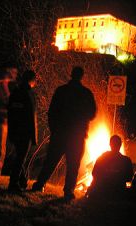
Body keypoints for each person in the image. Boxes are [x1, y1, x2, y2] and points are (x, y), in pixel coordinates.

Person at [31, 66, 97, 201]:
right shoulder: (85, 93)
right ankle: (68, 191)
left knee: (51, 161)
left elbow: (52, 111)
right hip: (77, 136)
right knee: (73, 165)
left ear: (71, 75)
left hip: (60, 133)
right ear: (81, 76)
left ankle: (39, 184)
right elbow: (92, 113)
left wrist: (54, 129)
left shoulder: (61, 91)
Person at [7, 70, 38, 193]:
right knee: (20, 158)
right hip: (25, 132)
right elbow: (31, 115)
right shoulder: (28, 93)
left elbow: (11, 111)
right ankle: (13, 184)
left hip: (16, 130)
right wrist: (33, 135)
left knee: (20, 156)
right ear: (31, 80)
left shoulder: (15, 92)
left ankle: (22, 181)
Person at [85, 135, 133, 201]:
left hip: (102, 191)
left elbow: (94, 174)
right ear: (120, 145)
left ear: (110, 144)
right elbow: (129, 178)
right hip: (118, 192)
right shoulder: (126, 160)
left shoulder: (102, 157)